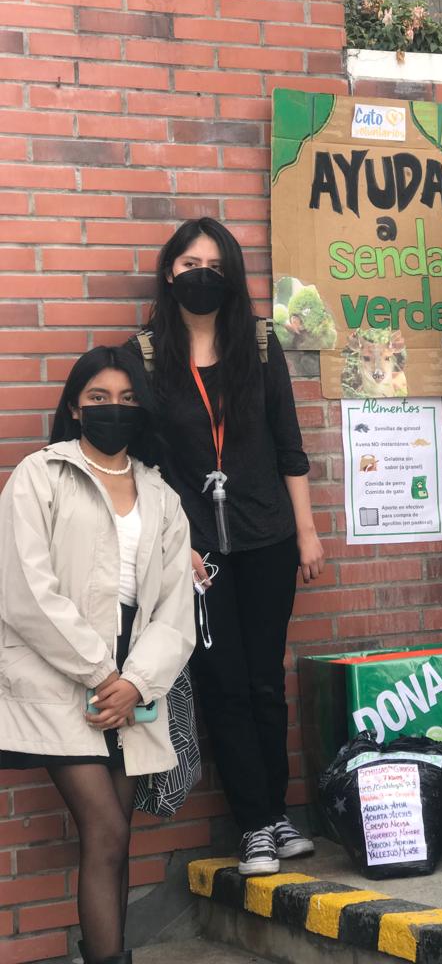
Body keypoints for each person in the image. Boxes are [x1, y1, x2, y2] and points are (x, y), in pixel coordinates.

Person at [127, 217, 325, 876]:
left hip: (268, 537)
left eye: (214, 265)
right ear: (169, 272)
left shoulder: (260, 345)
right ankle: (254, 826)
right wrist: (175, 540)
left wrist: (306, 531)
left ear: (232, 274)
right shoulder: (145, 355)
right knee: (225, 684)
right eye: (190, 264)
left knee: (265, 681)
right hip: (195, 553)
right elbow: (140, 465)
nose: (202, 275)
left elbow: (289, 446)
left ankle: (278, 814)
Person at [0, 347, 195, 964]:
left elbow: (174, 607)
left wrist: (137, 682)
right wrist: (103, 674)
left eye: (127, 399)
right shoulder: (40, 475)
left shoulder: (160, 493)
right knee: (105, 828)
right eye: (99, 398)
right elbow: (24, 590)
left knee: (118, 837)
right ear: (75, 407)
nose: (115, 409)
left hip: (134, 677)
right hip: (60, 673)